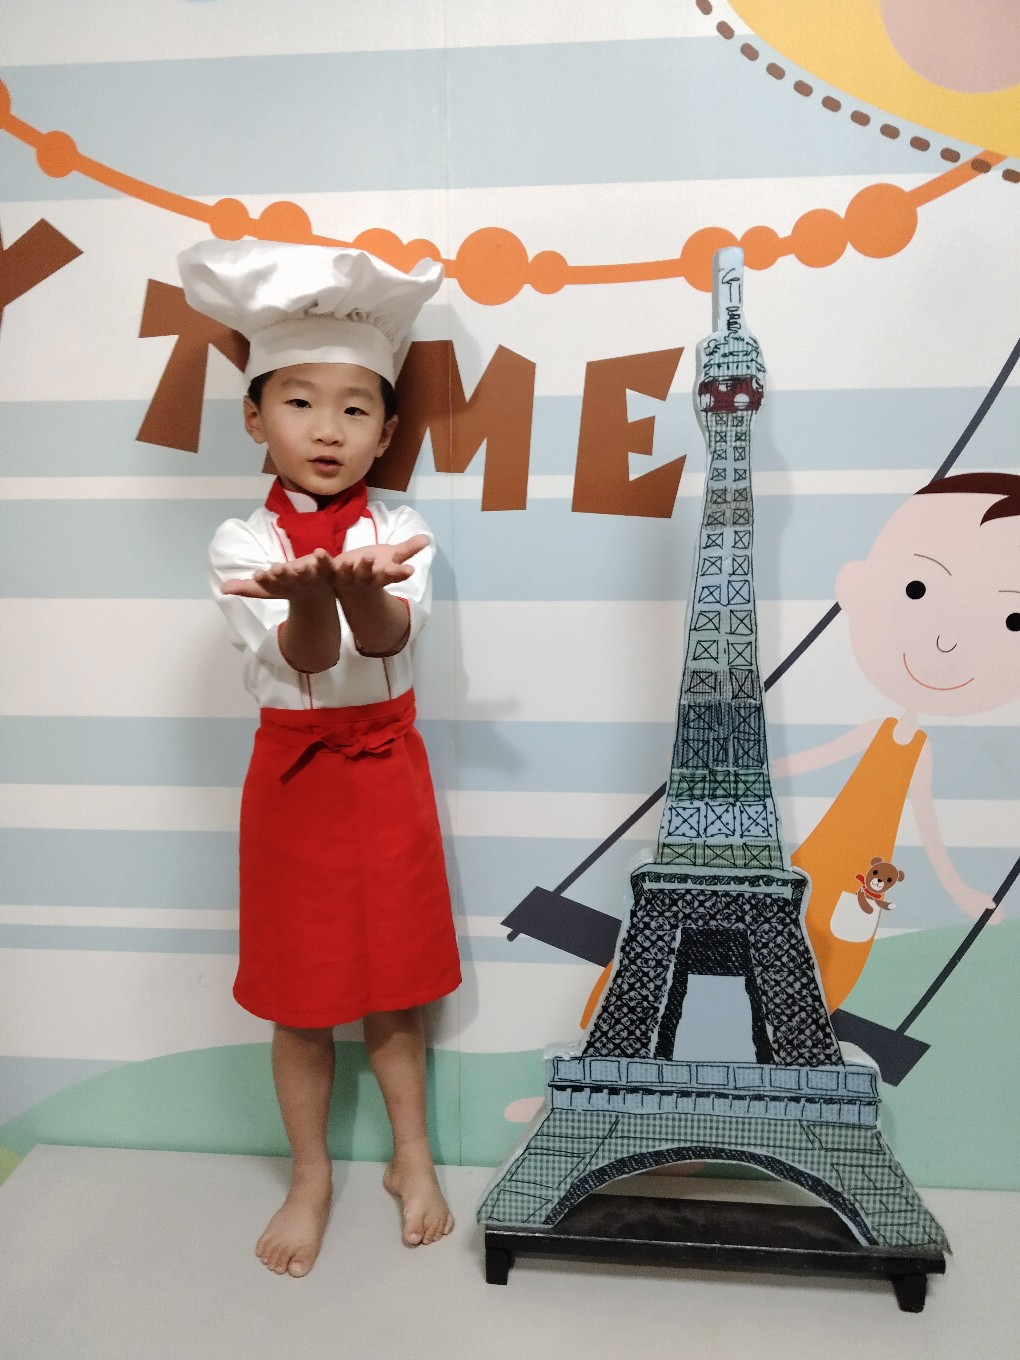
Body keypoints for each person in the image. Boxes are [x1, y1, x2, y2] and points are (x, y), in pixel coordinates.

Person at [178, 240, 460, 1277]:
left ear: (387, 429)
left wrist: (355, 589)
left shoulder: (402, 527)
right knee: (300, 1000)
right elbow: (304, 657)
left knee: (395, 987)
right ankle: (311, 1176)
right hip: (292, 785)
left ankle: (411, 1158)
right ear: (256, 417)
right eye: (299, 402)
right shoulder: (241, 545)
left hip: (387, 773)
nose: (328, 429)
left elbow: (385, 640)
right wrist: (309, 598)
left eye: (355, 408)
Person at [773, 472, 1020, 1012]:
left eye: (1013, 619)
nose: (946, 642)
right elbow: (811, 760)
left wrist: (958, 889)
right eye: (917, 589)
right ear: (855, 584)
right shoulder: (881, 733)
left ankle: (812, 1025)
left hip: (868, 868)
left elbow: (926, 823)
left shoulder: (915, 749)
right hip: (827, 850)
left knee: (839, 944)